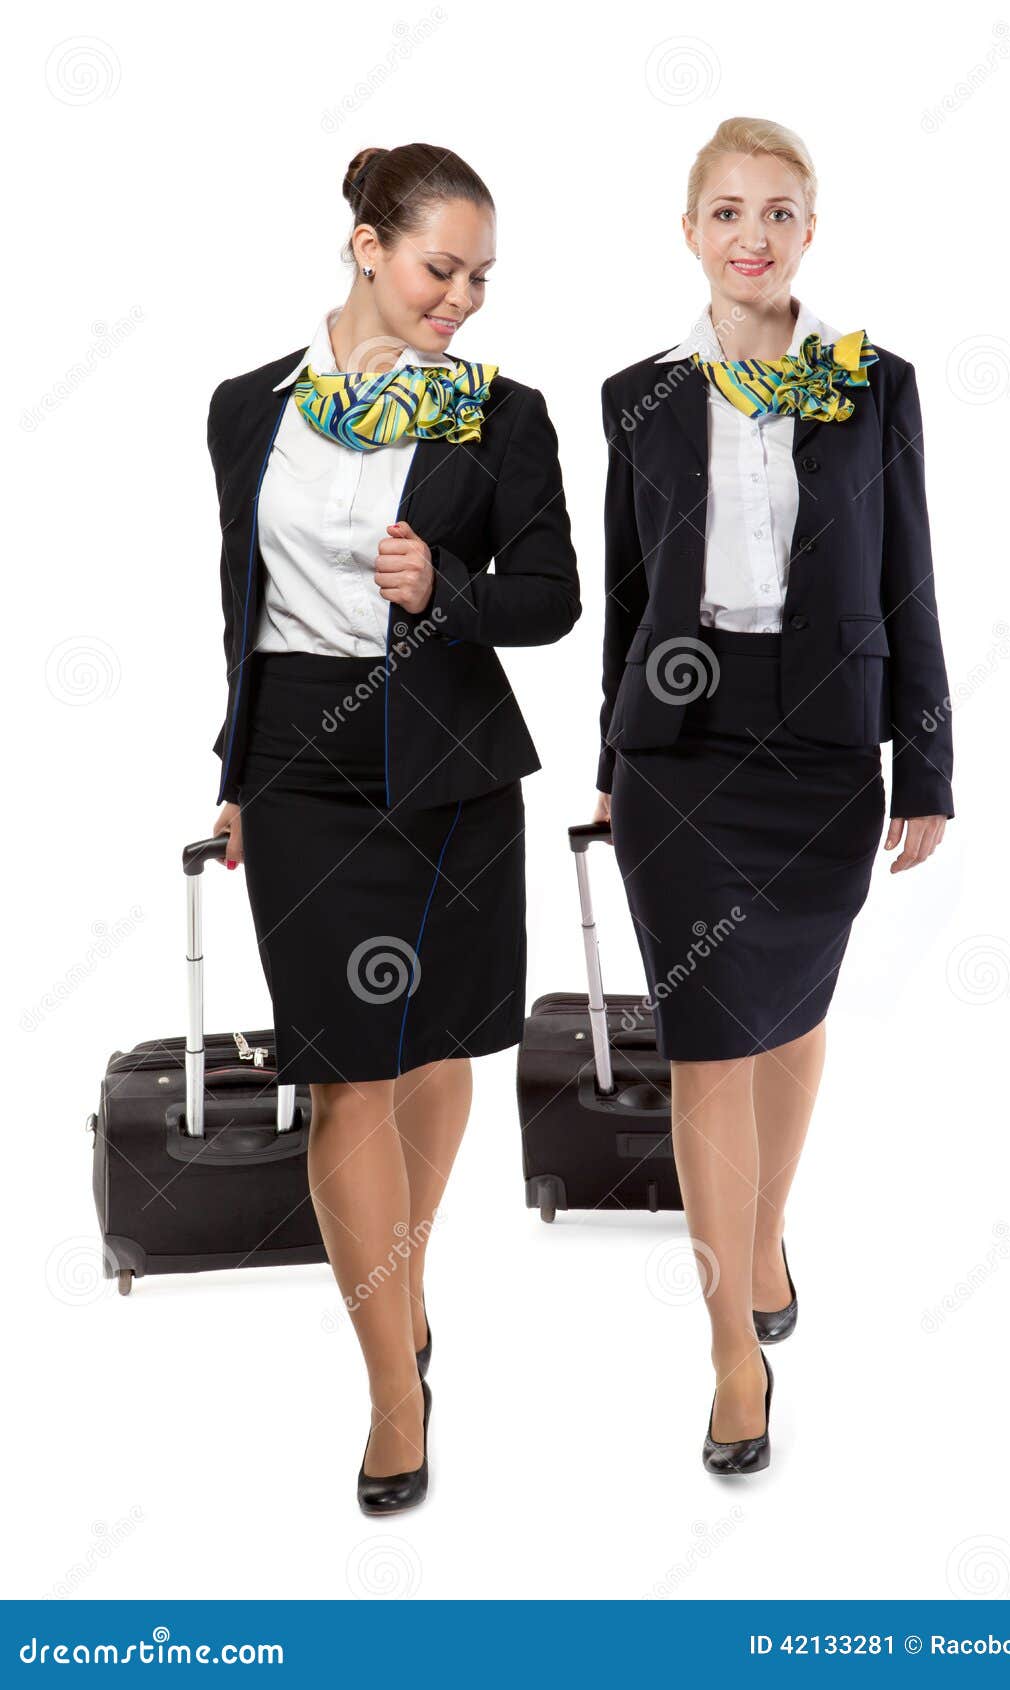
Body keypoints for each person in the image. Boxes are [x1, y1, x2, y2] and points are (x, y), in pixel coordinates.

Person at [206, 143, 581, 1513]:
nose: (463, 298)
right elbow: (237, 606)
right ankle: (391, 1387)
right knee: (343, 1066)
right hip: (301, 767)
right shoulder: (247, 408)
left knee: (430, 1043)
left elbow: (554, 594)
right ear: (366, 245)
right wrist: (237, 770)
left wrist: (449, 585)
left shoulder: (504, 415)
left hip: (447, 760)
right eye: (441, 267)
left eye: (482, 276)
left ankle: (399, 1278)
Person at [593, 116, 953, 1475]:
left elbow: (911, 572)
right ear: (692, 233)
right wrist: (609, 763)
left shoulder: (875, 385)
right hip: (677, 752)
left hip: (822, 751)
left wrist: (927, 758)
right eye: (728, 211)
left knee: (791, 1017)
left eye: (781, 211)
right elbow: (628, 595)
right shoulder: (637, 391)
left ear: (811, 231)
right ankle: (732, 1353)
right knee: (705, 1042)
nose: (754, 233)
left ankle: (760, 1236)